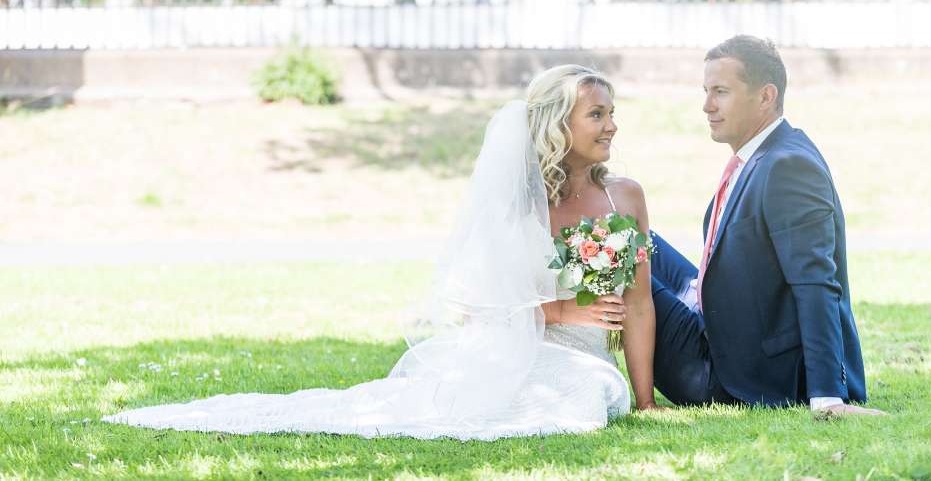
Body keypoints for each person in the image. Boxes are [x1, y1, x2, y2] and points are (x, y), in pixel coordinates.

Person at [102, 64, 657, 439]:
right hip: (518, 347)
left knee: (588, 391)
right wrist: (563, 310)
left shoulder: (623, 196)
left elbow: (637, 305)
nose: (612, 124)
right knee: (517, 404)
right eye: (597, 114)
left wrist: (646, 401)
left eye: (610, 112)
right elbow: (476, 304)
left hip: (584, 356)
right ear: (560, 124)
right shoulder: (515, 205)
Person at [649, 35, 884, 416]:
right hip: (724, 322)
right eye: (706, 91)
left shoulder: (788, 167)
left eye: (721, 92)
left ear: (765, 96)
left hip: (740, 374)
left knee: (618, 252)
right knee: (630, 235)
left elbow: (816, 281)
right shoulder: (762, 155)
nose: (707, 105)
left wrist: (826, 396)